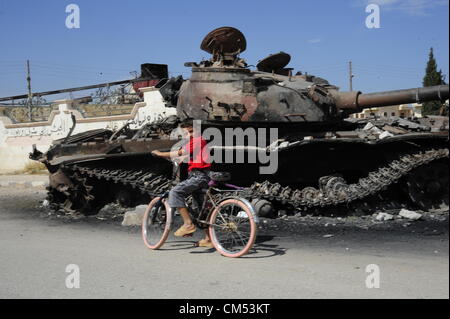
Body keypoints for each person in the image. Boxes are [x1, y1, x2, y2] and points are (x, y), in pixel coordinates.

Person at [151, 119, 213, 248]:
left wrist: (160, 154)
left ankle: (188, 224)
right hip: (201, 176)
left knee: (175, 192)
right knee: (199, 209)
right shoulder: (195, 142)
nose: (189, 135)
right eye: (186, 133)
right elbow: (187, 156)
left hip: (198, 176)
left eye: (191, 131)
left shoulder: (198, 140)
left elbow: (182, 152)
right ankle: (208, 239)